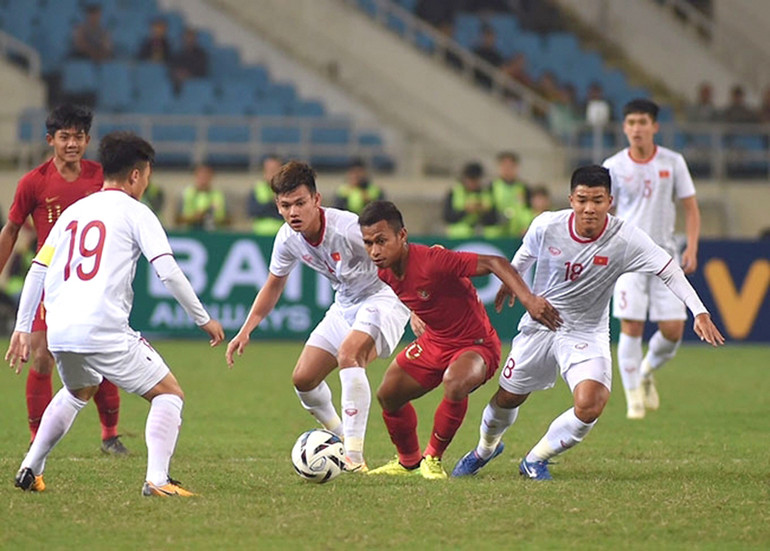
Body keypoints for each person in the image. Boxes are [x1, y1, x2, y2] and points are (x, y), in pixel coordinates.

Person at [452, 165, 724, 480]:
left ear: (610, 201)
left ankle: (535, 460)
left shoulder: (626, 238)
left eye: (597, 200)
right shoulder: (547, 225)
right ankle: (485, 449)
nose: (589, 209)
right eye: (582, 200)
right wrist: (512, 284)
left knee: (590, 403)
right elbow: (525, 255)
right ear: (571, 199)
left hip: (586, 331)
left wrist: (699, 311)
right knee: (508, 397)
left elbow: (669, 269)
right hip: (541, 325)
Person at [7, 132, 225, 495]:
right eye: (149, 173)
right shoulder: (137, 212)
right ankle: (157, 479)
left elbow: (38, 270)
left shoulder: (74, 212)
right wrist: (203, 318)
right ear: (136, 175)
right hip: (102, 329)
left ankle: (31, 466)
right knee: (169, 394)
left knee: (79, 390)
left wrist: (22, 326)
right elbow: (168, 270)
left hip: (60, 330)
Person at [226, 161, 410, 472]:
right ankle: (337, 438)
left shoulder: (349, 229)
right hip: (345, 304)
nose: (293, 212)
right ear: (277, 205)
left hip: (384, 297)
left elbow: (401, 255)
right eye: (285, 205)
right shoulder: (286, 239)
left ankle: (353, 457)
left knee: (350, 354)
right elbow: (273, 285)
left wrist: (417, 305)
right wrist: (246, 329)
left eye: (300, 203)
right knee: (304, 379)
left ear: (316, 200)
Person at [359, 200, 561, 480]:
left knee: (454, 382)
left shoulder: (432, 260)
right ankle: (408, 462)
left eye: (381, 241)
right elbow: (418, 292)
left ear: (402, 236)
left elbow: (494, 262)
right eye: (368, 243)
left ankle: (433, 458)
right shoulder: (384, 270)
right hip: (435, 342)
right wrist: (415, 312)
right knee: (388, 395)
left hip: (475, 345)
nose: (374, 251)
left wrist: (528, 300)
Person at [0, 104, 128, 454]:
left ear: (87, 140)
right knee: (42, 356)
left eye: (78, 137)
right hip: (51, 281)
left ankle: (110, 434)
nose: (72, 144)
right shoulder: (34, 182)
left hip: (94, 282)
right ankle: (36, 441)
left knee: (99, 356)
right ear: (50, 140)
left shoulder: (102, 178)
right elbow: (11, 229)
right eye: (64, 137)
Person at [603, 98, 702, 419]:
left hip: (664, 254)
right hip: (627, 257)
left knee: (673, 330)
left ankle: (646, 370)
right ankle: (633, 399)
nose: (636, 129)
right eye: (630, 123)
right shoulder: (613, 166)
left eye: (642, 122)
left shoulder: (673, 162)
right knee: (631, 326)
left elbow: (690, 206)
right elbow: (606, 212)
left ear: (655, 127)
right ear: (624, 127)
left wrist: (692, 247)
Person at [442, 162, 497, 239]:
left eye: (475, 180)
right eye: (470, 179)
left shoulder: (486, 193)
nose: (472, 183)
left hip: (481, 237)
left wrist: (484, 211)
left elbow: (493, 219)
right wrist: (465, 211)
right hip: (457, 237)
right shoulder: (455, 192)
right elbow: (448, 216)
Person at [490, 151, 533, 237]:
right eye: (504, 166)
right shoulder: (491, 187)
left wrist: (527, 226)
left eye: (510, 166)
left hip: (520, 234)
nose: (507, 170)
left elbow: (529, 210)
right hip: (498, 235)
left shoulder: (524, 188)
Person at [175, 163, 229, 230]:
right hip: (190, 231)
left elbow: (228, 219)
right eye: (201, 176)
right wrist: (195, 217)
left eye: (206, 176)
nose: (203, 179)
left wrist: (211, 217)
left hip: (214, 231)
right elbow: (177, 219)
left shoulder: (218, 194)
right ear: (195, 176)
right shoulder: (186, 194)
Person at [247, 154, 284, 236]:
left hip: (280, 235)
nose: (272, 173)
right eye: (269, 170)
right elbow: (253, 211)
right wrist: (272, 203)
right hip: (260, 234)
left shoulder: (286, 190)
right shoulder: (257, 189)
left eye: (275, 170)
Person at [170, 28, 209, 93]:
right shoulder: (178, 54)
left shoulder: (201, 54)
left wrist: (189, 74)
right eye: (186, 38)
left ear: (195, 39)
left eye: (191, 38)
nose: (188, 41)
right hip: (178, 81)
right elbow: (172, 68)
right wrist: (178, 73)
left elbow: (202, 70)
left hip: (195, 81)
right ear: (183, 39)